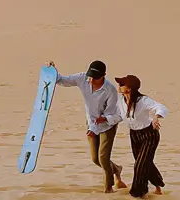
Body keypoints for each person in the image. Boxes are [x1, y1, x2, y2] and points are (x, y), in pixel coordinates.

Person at [49, 59, 126, 192]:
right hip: (91, 123)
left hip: (108, 124)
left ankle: (108, 187)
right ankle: (117, 169)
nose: (91, 80)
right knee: (95, 159)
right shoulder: (82, 78)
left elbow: (108, 115)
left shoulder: (110, 90)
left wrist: (95, 127)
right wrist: (52, 71)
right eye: (90, 77)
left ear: (104, 75)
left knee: (103, 157)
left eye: (95, 78)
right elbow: (62, 80)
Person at [115, 74, 167, 199]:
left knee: (140, 165)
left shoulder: (143, 101)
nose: (119, 86)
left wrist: (156, 117)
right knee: (144, 162)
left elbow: (160, 107)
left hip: (149, 134)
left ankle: (138, 193)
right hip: (134, 135)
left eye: (122, 84)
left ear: (130, 88)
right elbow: (117, 116)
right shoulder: (120, 101)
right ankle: (158, 186)